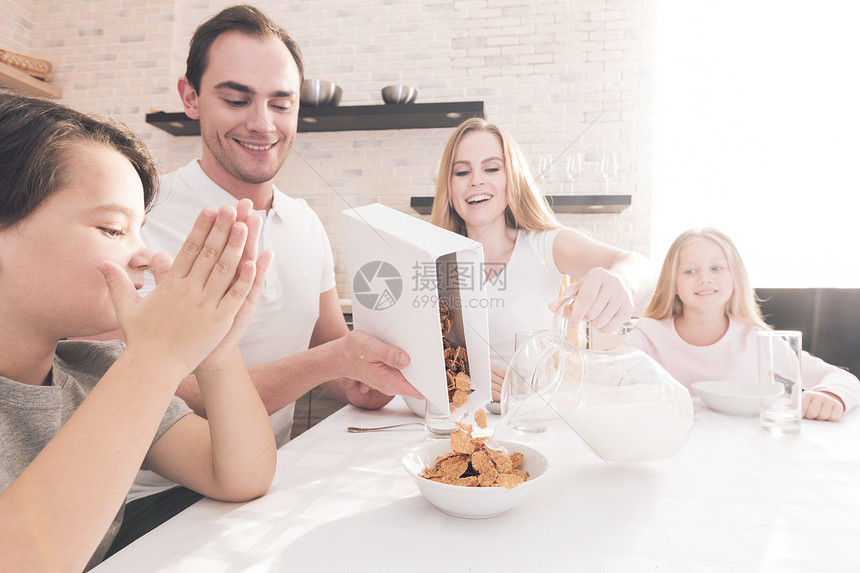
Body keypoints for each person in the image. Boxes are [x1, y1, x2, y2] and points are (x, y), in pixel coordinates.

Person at [123, 5, 422, 505]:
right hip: (146, 503)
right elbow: (156, 392)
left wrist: (358, 379)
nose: (263, 123)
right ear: (190, 98)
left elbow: (335, 357)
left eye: (281, 103)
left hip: (267, 482)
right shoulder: (139, 217)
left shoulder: (306, 224)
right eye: (237, 99)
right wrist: (334, 360)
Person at [0, 92, 276, 571]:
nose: (145, 255)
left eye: (141, 230)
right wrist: (158, 355)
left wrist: (215, 353)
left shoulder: (96, 372)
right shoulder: (136, 370)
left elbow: (239, 475)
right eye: (111, 229)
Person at [430, 117, 655, 400]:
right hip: (457, 428)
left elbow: (642, 268)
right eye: (462, 172)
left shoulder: (546, 246)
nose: (477, 180)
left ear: (512, 177)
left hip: (536, 424)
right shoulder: (434, 262)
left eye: (491, 168)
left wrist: (622, 281)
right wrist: (460, 372)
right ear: (449, 189)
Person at [621, 228, 860, 421]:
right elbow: (602, 378)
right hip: (669, 449)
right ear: (672, 283)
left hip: (737, 455)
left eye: (717, 268)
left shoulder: (756, 339)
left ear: (735, 277)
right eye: (690, 271)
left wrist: (829, 395)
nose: (704, 278)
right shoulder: (649, 334)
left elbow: (843, 379)